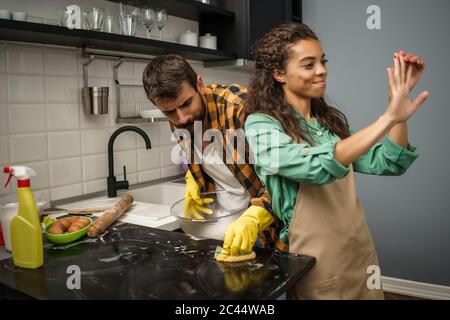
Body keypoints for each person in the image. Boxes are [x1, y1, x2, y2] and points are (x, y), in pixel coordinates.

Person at [244, 23, 428, 300]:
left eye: (322, 61)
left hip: (358, 247)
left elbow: (389, 162)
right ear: (279, 73)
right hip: (316, 259)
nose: (322, 70)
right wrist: (387, 118)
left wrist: (398, 116)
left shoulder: (327, 125)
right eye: (309, 65)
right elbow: (312, 168)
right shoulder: (261, 125)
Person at [142, 54, 287, 261]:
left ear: (199, 84)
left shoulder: (242, 108)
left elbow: (282, 177)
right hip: (219, 230)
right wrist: (192, 177)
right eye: (170, 112)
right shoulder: (179, 115)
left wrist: (255, 218)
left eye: (186, 104)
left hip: (263, 231)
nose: (181, 118)